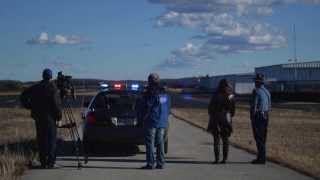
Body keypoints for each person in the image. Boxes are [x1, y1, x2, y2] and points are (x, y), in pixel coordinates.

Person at [20, 68, 62, 168]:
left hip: (38, 118)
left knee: (41, 140)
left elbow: (23, 96)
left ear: (43, 76)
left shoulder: (36, 87)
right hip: (50, 118)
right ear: (51, 77)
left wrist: (30, 106)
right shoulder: (53, 88)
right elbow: (56, 105)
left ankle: (43, 162)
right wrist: (59, 117)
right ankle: (50, 163)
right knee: (51, 140)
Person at [141, 73, 171, 169]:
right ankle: (160, 162)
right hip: (162, 121)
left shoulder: (150, 93)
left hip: (152, 120)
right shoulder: (164, 93)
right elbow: (168, 106)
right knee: (160, 142)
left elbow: (147, 105)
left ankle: (150, 163)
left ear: (150, 81)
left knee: (150, 143)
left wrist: (142, 117)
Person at [207, 79, 235, 164]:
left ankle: (217, 159)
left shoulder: (215, 95)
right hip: (226, 118)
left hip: (216, 118)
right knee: (225, 139)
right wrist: (230, 116)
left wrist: (212, 115)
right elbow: (233, 109)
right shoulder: (230, 95)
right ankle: (225, 159)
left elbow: (210, 108)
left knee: (216, 139)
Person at [250, 73, 271, 164]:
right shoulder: (267, 92)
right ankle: (261, 156)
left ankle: (261, 158)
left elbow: (254, 106)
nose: (255, 83)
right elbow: (270, 106)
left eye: (255, 81)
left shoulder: (256, 91)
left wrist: (252, 117)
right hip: (266, 115)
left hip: (258, 116)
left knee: (258, 138)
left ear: (257, 82)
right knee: (263, 137)